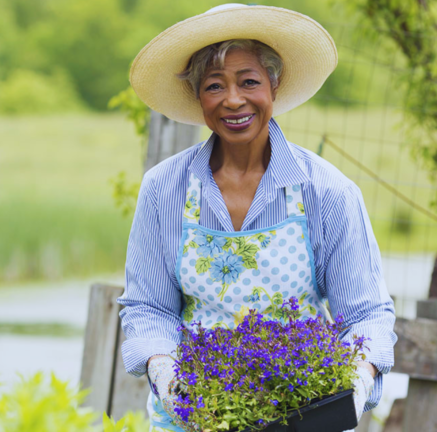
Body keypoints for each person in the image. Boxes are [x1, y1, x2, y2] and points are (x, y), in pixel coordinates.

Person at [117, 4, 397, 432]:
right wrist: (165, 371)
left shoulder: (326, 191)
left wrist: (357, 380)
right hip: (193, 416)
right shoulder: (164, 190)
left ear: (274, 85)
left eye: (248, 81)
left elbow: (366, 315)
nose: (233, 100)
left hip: (302, 414)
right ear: (198, 96)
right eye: (214, 86)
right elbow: (148, 307)